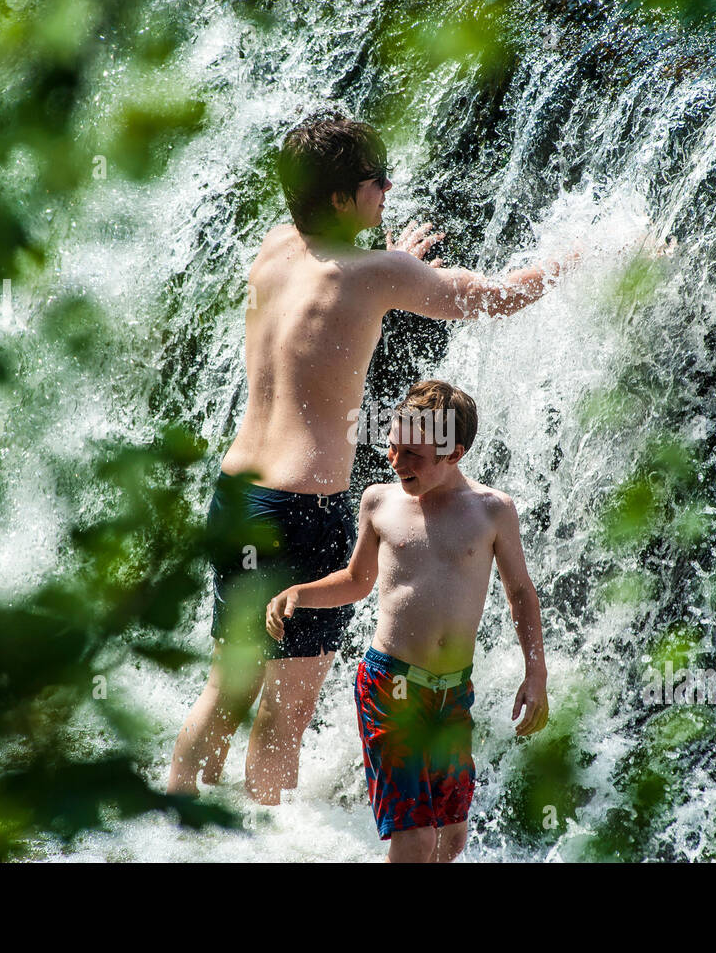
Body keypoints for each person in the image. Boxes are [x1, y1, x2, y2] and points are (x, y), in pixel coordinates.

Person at [168, 112, 568, 805]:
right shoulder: (377, 273)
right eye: (375, 181)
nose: (388, 187)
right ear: (338, 199)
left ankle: (174, 818)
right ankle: (259, 847)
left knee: (226, 684)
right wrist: (575, 260)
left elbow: (339, 280)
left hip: (236, 496)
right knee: (285, 713)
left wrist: (393, 259)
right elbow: (490, 298)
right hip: (302, 512)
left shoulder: (274, 249)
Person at [266, 381, 548, 861]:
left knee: (452, 836)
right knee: (415, 836)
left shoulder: (491, 511)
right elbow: (357, 580)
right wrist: (299, 593)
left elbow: (520, 592)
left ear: (453, 453)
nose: (396, 460)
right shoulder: (380, 502)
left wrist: (536, 672)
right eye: (393, 445)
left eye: (413, 454)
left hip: (452, 692)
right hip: (389, 687)